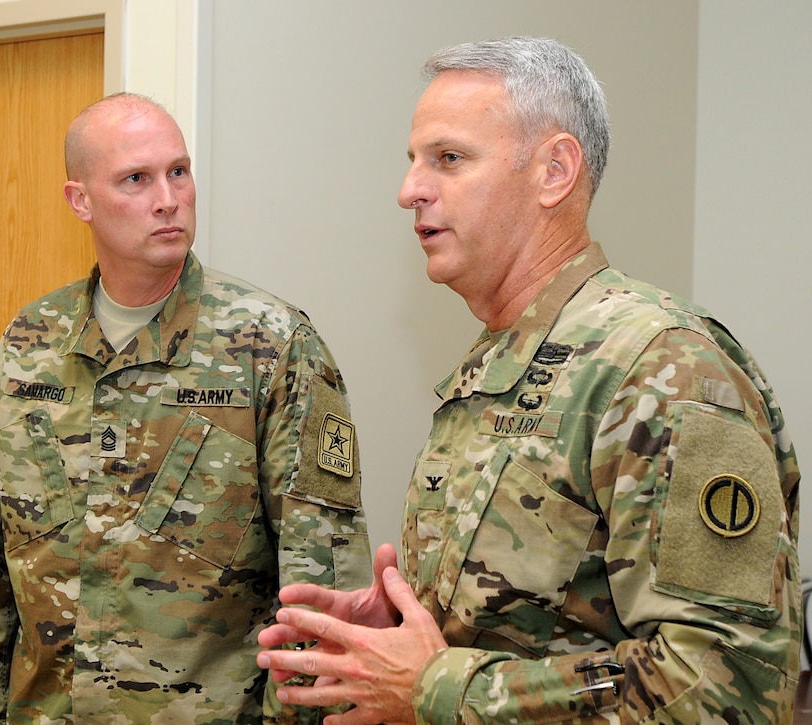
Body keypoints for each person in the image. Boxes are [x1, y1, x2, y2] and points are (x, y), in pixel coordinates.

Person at [257, 36, 801, 724]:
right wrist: (403, 631)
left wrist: (436, 685)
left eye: (448, 159)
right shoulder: (496, 367)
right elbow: (535, 625)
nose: (409, 190)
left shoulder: (666, 367)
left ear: (554, 171)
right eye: (413, 161)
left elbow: (729, 687)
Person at [0, 92, 372, 724]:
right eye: (136, 179)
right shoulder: (30, 343)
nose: (168, 198)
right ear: (80, 200)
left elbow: (322, 589)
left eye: (179, 171)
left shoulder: (271, 346)